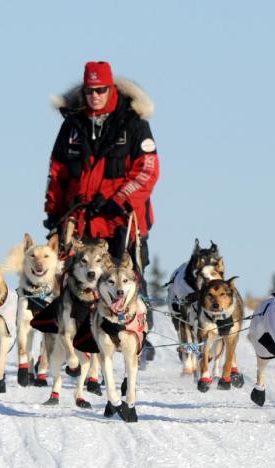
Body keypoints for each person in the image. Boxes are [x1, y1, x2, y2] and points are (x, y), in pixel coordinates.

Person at [43, 60, 160, 356]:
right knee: (80, 283)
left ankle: (138, 337)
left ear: (111, 89)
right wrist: (54, 213)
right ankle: (87, 349)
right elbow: (57, 172)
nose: (95, 96)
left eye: (101, 90)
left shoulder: (133, 124)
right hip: (82, 222)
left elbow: (147, 170)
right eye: (90, 90)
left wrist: (119, 199)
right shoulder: (72, 126)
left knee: (128, 279)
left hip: (122, 220)